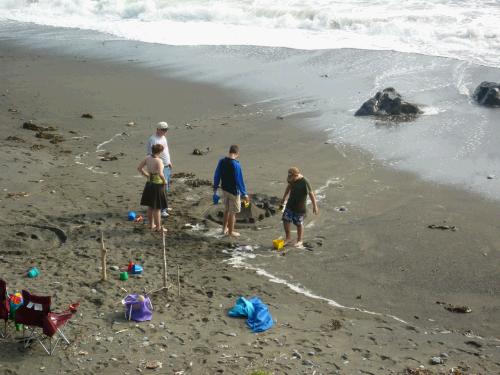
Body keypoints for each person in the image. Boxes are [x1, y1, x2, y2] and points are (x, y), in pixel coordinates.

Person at [213, 145, 249, 237]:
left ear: (229, 152)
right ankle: (230, 232)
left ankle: (224, 229)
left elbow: (217, 175)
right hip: (234, 192)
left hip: (224, 189)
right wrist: (244, 193)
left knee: (226, 210)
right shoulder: (236, 164)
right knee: (233, 213)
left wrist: (215, 187)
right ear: (237, 154)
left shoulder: (221, 161)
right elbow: (239, 180)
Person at [280, 167, 318, 247]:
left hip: (299, 208)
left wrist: (315, 206)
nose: (290, 179)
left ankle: (300, 240)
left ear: (296, 175)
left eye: (291, 177)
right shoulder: (291, 179)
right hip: (290, 205)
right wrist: (284, 198)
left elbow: (311, 194)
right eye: (289, 176)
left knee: (298, 223)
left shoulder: (304, 182)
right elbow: (289, 187)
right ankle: (288, 238)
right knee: (286, 220)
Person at [137, 144, 168, 233]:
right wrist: (164, 181)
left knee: (150, 206)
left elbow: (139, 168)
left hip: (149, 183)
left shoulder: (147, 158)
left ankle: (151, 225)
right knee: (157, 208)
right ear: (160, 152)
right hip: (157, 185)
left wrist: (146, 175)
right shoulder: (159, 161)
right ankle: (158, 227)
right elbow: (161, 174)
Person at [147, 121, 172, 218]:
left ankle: (164, 206)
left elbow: (166, 150)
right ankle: (162, 210)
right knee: (161, 189)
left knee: (166, 188)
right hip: (159, 167)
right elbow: (151, 154)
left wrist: (169, 161)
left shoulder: (164, 137)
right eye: (163, 130)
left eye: (166, 130)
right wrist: (156, 168)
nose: (165, 132)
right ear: (158, 129)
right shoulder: (153, 139)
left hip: (166, 165)